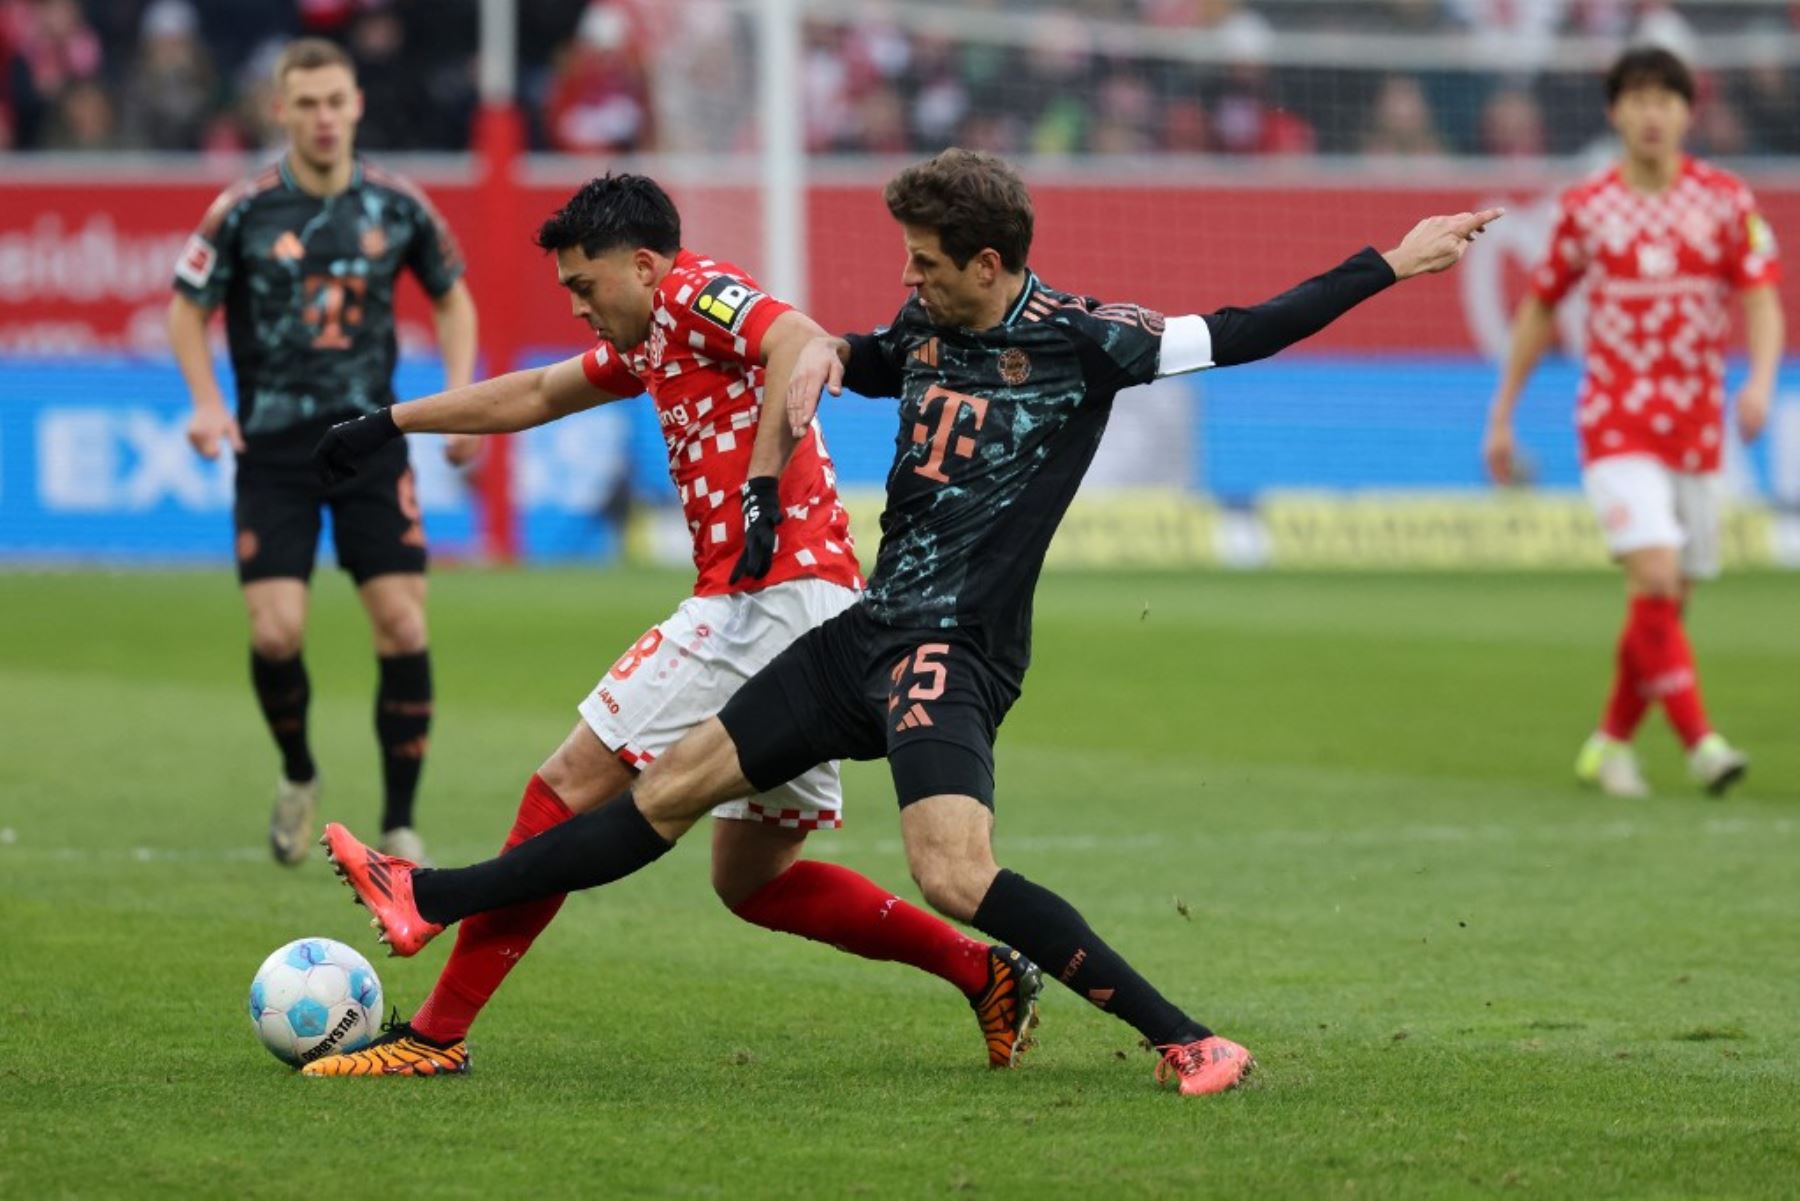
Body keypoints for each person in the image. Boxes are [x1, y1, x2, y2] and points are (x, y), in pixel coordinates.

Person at [320, 148, 1498, 1097]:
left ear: (989, 263)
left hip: (951, 651)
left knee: (950, 870)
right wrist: (822, 362)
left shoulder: (1089, 342)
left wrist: (1389, 264)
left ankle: (1188, 1038)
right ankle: (434, 896)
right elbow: (826, 347)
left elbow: (1249, 327)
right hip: (864, 630)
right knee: (672, 797)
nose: (910, 281)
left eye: (927, 264)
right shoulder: (921, 333)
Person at [297, 174, 1043, 1077]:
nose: (577, 307)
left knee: (568, 781)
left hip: (763, 600)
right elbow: (537, 393)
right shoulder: (655, 332)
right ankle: (985, 971)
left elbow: (799, 339)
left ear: (644, 265)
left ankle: (434, 1033)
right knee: (751, 878)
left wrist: (764, 481)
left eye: (585, 285)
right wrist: (390, 422)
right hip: (810, 604)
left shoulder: (694, 291)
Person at [168, 38, 481, 867]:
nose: (323, 117)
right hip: (272, 449)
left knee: (403, 622)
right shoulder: (241, 210)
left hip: (368, 443)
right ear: (281, 110)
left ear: (357, 105)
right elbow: (185, 306)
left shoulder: (399, 206)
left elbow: (454, 298)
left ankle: (401, 823)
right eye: (306, 103)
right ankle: (300, 772)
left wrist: (455, 404)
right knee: (276, 633)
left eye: (335, 100)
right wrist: (205, 402)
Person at [1483, 46, 1783, 799]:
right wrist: (1502, 415)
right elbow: (1540, 307)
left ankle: (1607, 743)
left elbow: (1760, 297)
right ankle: (1703, 745)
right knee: (1654, 572)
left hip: (1694, 425)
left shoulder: (1724, 201)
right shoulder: (1586, 209)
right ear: (1615, 111)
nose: (1653, 113)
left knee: (1664, 603)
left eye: (1667, 99)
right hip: (1614, 418)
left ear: (1689, 111)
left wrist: (1762, 382)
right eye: (1638, 98)